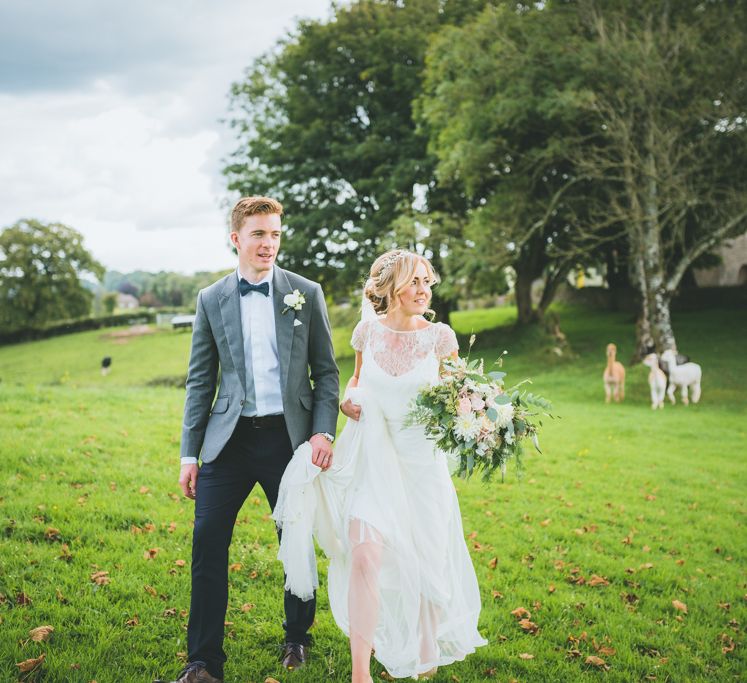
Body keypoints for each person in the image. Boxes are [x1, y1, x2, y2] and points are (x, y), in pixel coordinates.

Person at [275, 249, 486, 682]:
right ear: (390, 288)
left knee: (429, 558)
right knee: (365, 556)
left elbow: (461, 394)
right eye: (414, 282)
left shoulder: (440, 338)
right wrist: (349, 399)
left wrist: (481, 420)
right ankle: (360, 673)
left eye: (427, 281)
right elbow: (352, 381)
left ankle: (426, 648)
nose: (424, 290)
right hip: (370, 459)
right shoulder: (365, 334)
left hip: (422, 465)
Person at [171, 196, 339, 683]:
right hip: (229, 442)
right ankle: (202, 662)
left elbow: (326, 374)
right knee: (206, 543)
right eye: (259, 234)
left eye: (276, 234)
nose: (269, 244)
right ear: (236, 239)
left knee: (295, 544)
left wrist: (322, 432)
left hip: (289, 441)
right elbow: (200, 381)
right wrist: (189, 454)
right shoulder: (211, 298)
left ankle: (297, 639)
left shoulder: (306, 292)